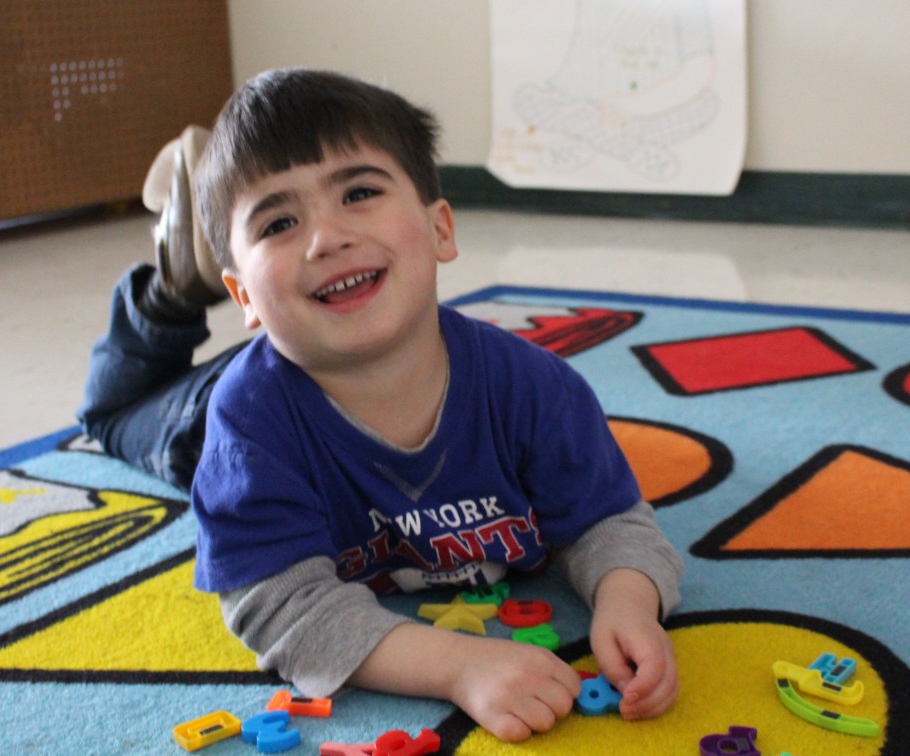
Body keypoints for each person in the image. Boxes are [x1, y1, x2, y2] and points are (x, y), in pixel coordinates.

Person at [78, 68, 683, 743]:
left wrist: (628, 600)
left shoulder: (535, 387)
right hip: (211, 415)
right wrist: (457, 666)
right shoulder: (245, 428)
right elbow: (280, 607)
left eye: (359, 193)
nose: (326, 238)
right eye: (279, 222)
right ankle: (170, 291)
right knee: (110, 418)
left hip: (315, 351)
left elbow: (609, 520)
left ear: (440, 229)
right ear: (245, 296)